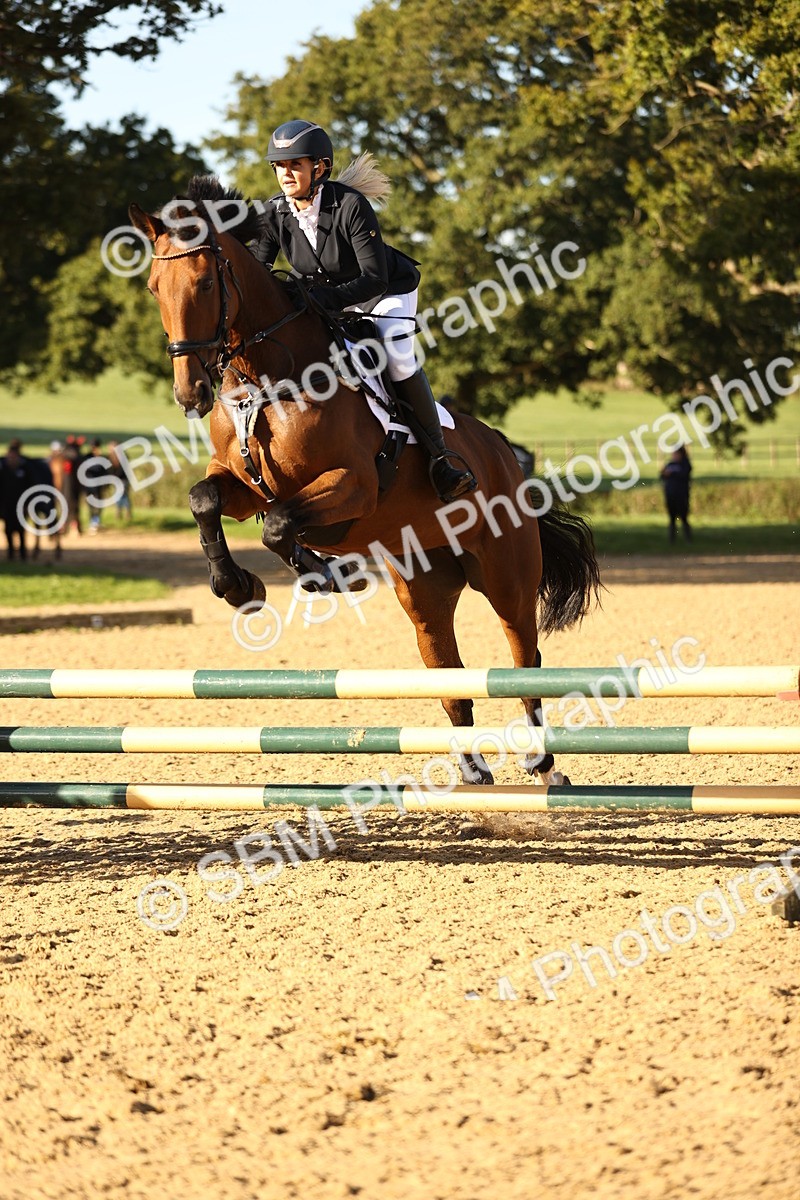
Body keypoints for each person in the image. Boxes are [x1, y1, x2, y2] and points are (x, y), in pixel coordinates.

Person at [252, 119, 477, 503]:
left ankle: (441, 459)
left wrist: (319, 301)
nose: (286, 174)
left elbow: (374, 278)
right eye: (279, 166)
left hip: (384, 292)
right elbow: (258, 273)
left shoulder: (350, 205)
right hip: (327, 298)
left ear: (319, 168)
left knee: (397, 356)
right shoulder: (274, 213)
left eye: (295, 165)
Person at [0, 439, 32, 560]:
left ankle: (23, 554)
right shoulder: (3, 470)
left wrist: (27, 504)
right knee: (8, 529)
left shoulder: (24, 469)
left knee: (21, 530)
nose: (12, 458)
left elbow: (29, 487)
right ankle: (11, 553)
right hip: (7, 505)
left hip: (21, 505)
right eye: (10, 456)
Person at [660, 445, 692, 542]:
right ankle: (672, 539)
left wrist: (672, 474)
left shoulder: (685, 464)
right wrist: (664, 473)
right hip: (670, 494)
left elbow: (684, 475)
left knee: (684, 517)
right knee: (672, 518)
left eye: (676, 454)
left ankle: (688, 538)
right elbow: (662, 476)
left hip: (681, 495)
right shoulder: (670, 464)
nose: (674, 456)